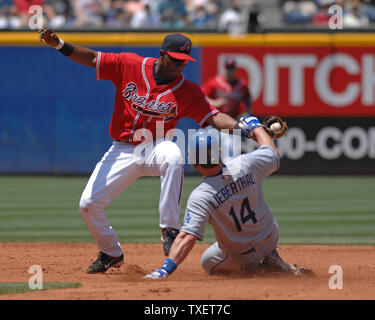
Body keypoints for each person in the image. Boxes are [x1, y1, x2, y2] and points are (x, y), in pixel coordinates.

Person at [38, 30, 247, 274]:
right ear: (162, 55)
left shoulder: (188, 91)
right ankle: (110, 252)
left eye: (184, 61)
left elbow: (214, 116)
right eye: (175, 59)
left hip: (157, 145)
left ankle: (169, 228)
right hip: (123, 149)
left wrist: (246, 129)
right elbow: (93, 59)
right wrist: (60, 45)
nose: (179, 65)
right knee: (88, 204)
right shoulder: (130, 65)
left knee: (173, 156)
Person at [144, 117, 310, 279]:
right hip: (270, 236)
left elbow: (187, 237)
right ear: (220, 152)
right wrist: (256, 127)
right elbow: (272, 153)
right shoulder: (245, 164)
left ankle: (260, 270)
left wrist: (165, 270)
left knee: (207, 262)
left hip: (243, 255)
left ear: (193, 162)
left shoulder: (201, 195)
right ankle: (271, 255)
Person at [201, 56, 251, 164]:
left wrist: (246, 113)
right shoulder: (215, 83)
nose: (230, 71)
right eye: (228, 68)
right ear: (224, 69)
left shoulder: (242, 85)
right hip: (215, 121)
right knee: (208, 157)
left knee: (231, 158)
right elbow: (201, 97)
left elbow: (248, 100)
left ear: (235, 69)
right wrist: (215, 102)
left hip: (231, 124)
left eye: (232, 68)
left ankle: (230, 178)